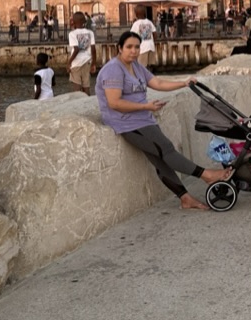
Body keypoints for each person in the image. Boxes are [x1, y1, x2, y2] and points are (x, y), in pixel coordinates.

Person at [96, 31, 233, 211]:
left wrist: (184, 83)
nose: (134, 51)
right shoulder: (113, 69)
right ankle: (206, 175)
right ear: (119, 48)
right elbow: (114, 103)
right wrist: (146, 107)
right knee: (166, 149)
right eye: (129, 47)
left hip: (144, 118)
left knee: (160, 160)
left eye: (137, 47)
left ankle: (185, 198)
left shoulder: (136, 66)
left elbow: (158, 83)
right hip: (127, 122)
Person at [67, 11, 97, 95]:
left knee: (77, 88)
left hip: (76, 63)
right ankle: (88, 103)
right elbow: (93, 49)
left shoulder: (72, 34)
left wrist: (69, 63)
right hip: (87, 62)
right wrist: (94, 63)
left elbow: (76, 49)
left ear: (73, 22)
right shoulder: (90, 33)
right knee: (86, 86)